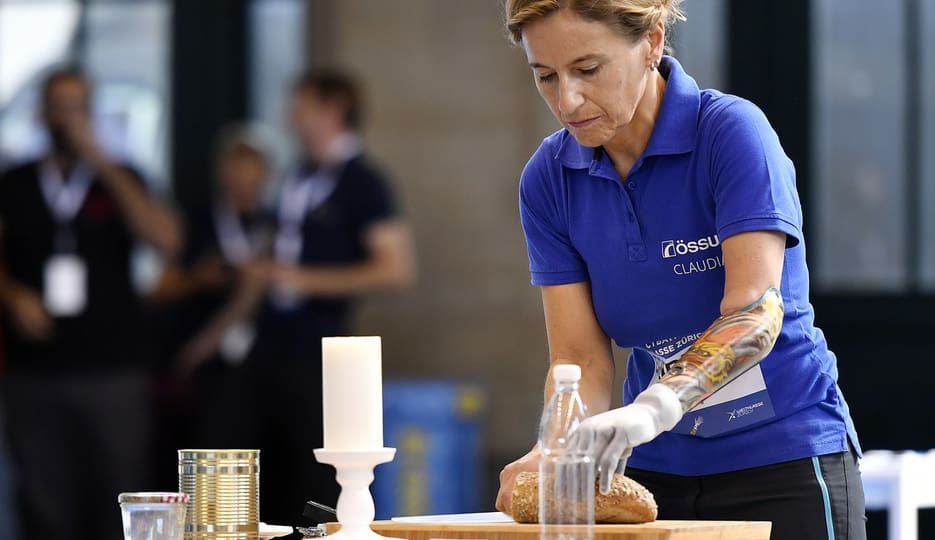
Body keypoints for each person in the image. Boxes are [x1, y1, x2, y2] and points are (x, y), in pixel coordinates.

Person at [494, 2, 866, 540]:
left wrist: (654, 406)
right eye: (545, 76)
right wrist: (554, 450)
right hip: (652, 475)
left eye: (588, 70)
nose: (567, 99)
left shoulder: (731, 133)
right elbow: (579, 361)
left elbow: (754, 313)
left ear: (651, 41)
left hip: (784, 459)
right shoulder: (549, 180)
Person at [226, 68, 415, 525]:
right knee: (259, 469)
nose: (291, 116)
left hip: (322, 349)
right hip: (269, 343)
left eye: (301, 106)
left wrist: (303, 279)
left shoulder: (365, 182)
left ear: (332, 110)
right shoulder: (296, 177)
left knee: (314, 475)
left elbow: (394, 269)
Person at [0, 66, 181, 540]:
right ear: (42, 113)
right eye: (58, 107)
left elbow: (166, 239)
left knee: (121, 496)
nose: (67, 119)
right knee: (44, 503)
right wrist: (13, 294)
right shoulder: (14, 183)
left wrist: (102, 161)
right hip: (34, 372)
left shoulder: (121, 178)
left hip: (112, 370)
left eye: (78, 107)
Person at [148, 125, 275, 457]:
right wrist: (197, 279)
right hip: (205, 371)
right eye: (235, 175)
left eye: (251, 176)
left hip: (266, 363)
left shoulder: (277, 224)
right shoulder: (195, 221)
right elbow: (159, 289)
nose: (243, 186)